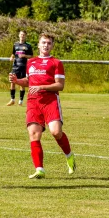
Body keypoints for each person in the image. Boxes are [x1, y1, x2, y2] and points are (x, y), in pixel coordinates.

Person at [9, 33, 76, 179]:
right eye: (44, 42)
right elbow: (29, 82)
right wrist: (16, 80)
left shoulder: (56, 63)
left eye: (49, 43)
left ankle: (69, 156)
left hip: (50, 101)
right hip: (33, 102)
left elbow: (60, 85)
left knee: (56, 132)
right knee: (34, 134)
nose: (46, 45)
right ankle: (39, 169)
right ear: (38, 45)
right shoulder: (31, 62)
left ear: (52, 46)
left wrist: (41, 87)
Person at [7, 30, 33, 106]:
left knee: (22, 83)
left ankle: (21, 101)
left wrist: (24, 56)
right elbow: (13, 53)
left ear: (25, 36)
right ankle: (12, 99)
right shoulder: (15, 44)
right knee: (12, 82)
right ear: (19, 35)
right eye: (21, 34)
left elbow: (31, 56)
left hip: (23, 66)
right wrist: (11, 57)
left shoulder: (28, 46)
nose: (22, 36)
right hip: (15, 66)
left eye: (24, 35)